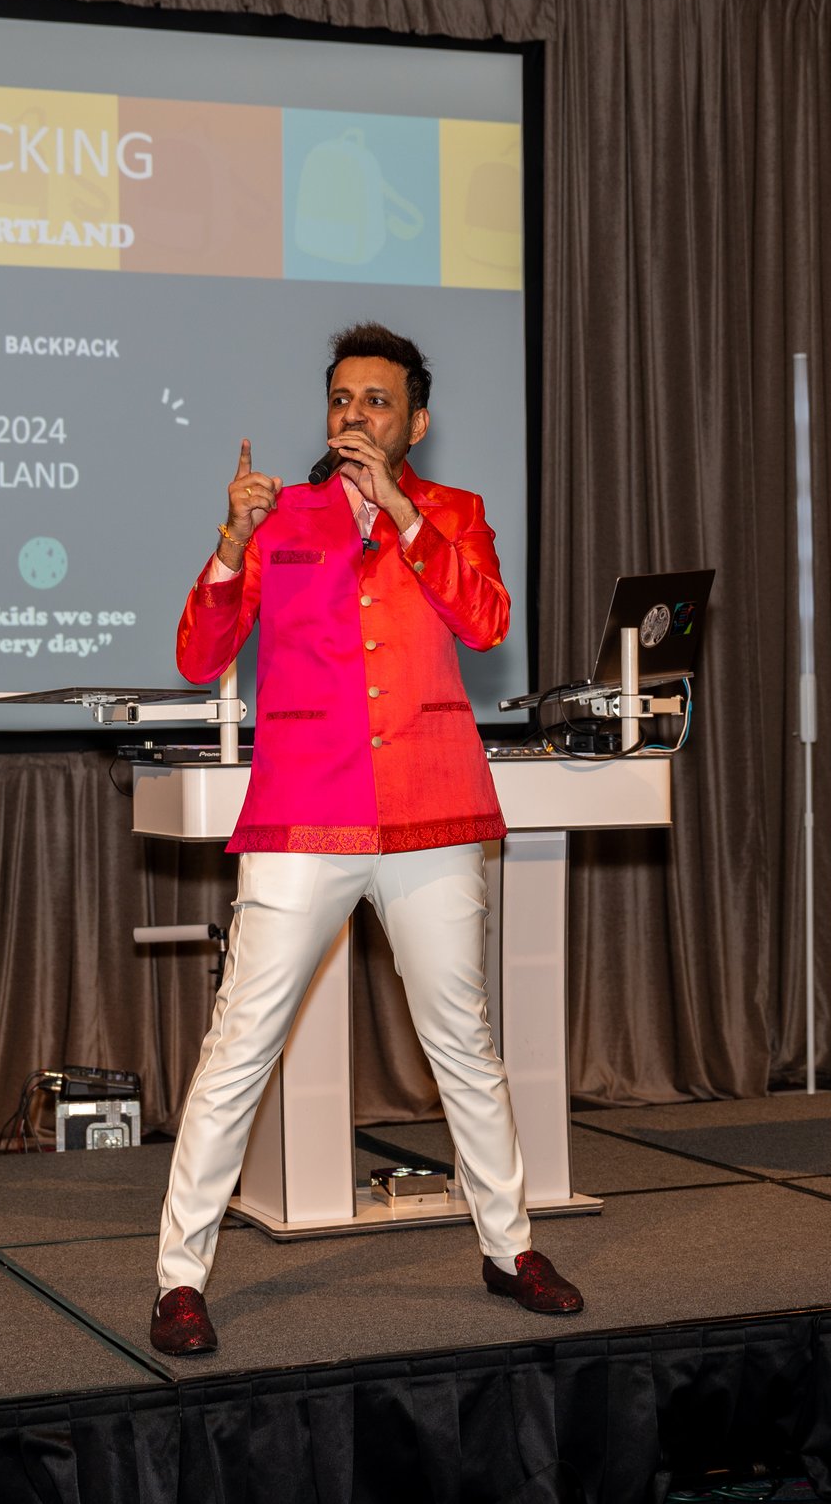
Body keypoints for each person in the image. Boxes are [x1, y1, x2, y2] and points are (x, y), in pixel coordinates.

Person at [148, 322, 583, 1357]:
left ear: (415, 422)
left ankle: (510, 1246)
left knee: (463, 1044)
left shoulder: (454, 513)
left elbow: (485, 621)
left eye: (377, 401)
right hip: (305, 811)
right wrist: (229, 543)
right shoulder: (280, 517)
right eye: (342, 398)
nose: (355, 415)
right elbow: (199, 651)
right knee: (240, 1045)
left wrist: (402, 512)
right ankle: (179, 1278)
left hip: (432, 809)